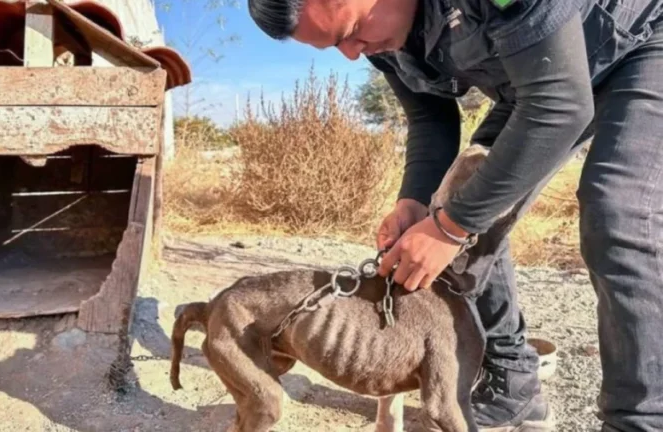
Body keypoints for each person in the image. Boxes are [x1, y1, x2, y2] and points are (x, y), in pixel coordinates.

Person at [246, 0, 663, 430]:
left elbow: (559, 104)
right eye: (335, 46)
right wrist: (415, 203)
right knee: (460, 199)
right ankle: (512, 385)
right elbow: (430, 116)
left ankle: (642, 420)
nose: (352, 53)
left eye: (350, 31)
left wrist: (449, 227)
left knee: (619, 213)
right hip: (542, 78)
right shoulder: (382, 38)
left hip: (642, 45)